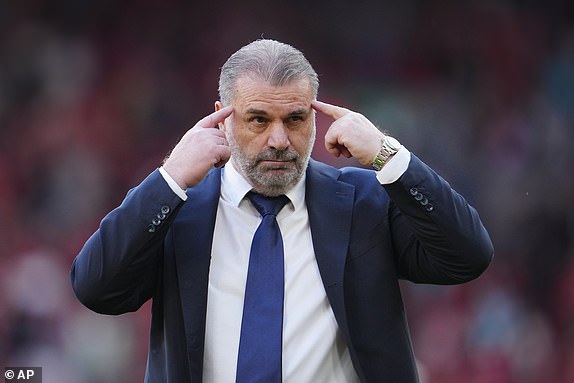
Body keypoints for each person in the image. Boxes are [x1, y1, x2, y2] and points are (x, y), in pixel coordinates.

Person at [71, 39, 493, 383]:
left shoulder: (365, 202)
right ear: (221, 118)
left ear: (315, 117)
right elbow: (96, 287)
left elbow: (468, 255)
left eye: (294, 119)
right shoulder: (177, 209)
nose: (279, 140)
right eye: (257, 120)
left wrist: (388, 154)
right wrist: (170, 177)